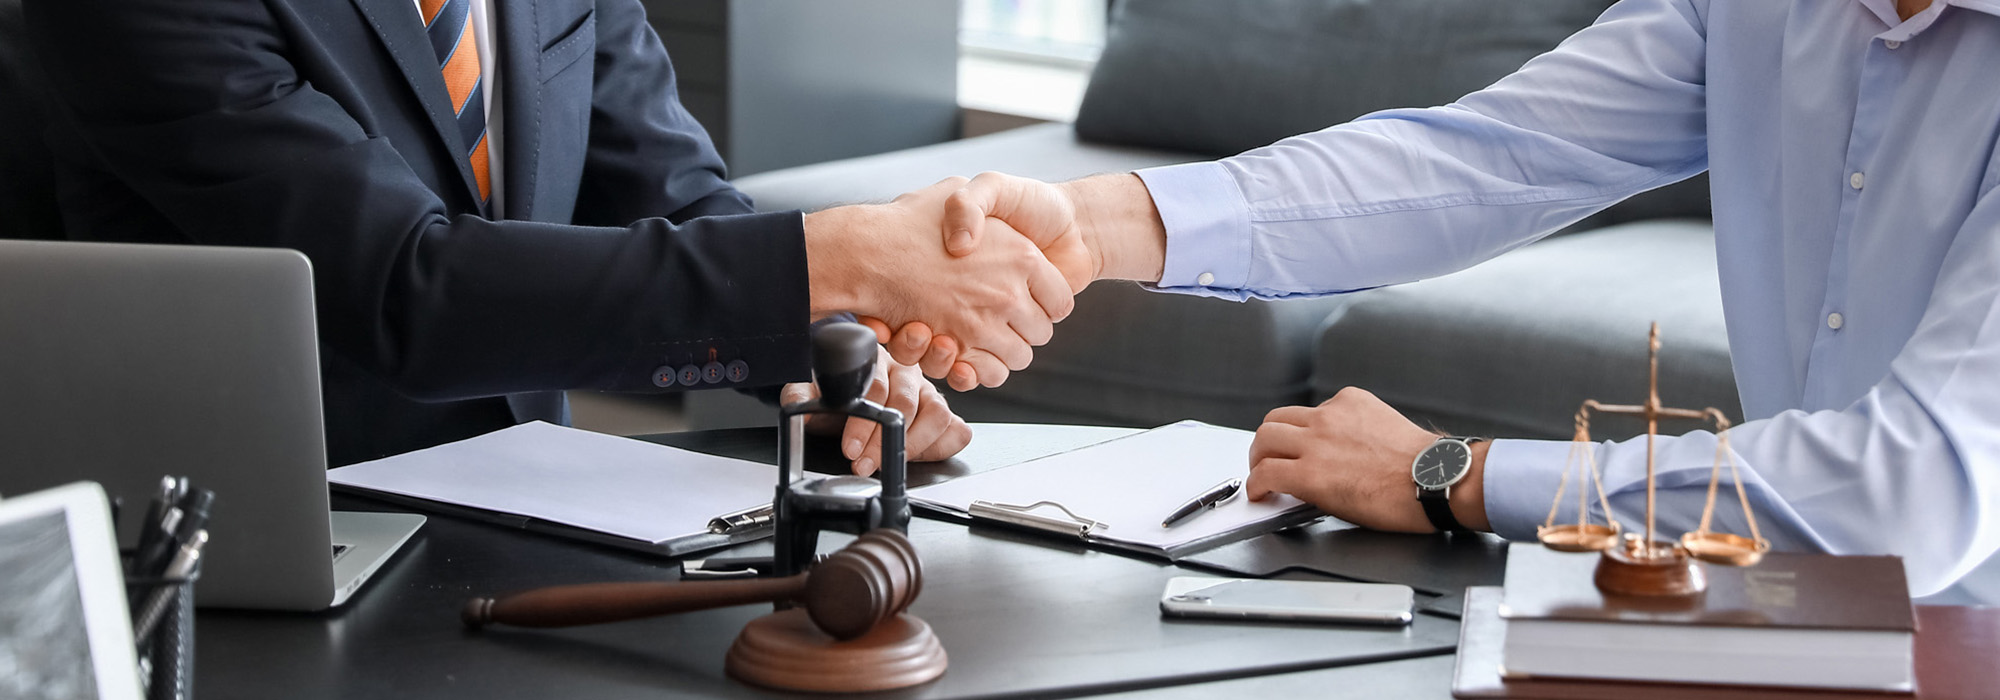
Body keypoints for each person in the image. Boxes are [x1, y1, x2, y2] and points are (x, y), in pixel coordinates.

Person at [909, 0, 2000, 598]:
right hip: (1805, 615)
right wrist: (1093, 225)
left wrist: (1451, 474)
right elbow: (1484, 158)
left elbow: (1906, 489)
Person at [22, 0, 1074, 468]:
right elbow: (408, 290)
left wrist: (829, 357)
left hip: (532, 505)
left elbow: (674, 196)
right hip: (284, 565)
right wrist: (835, 255)